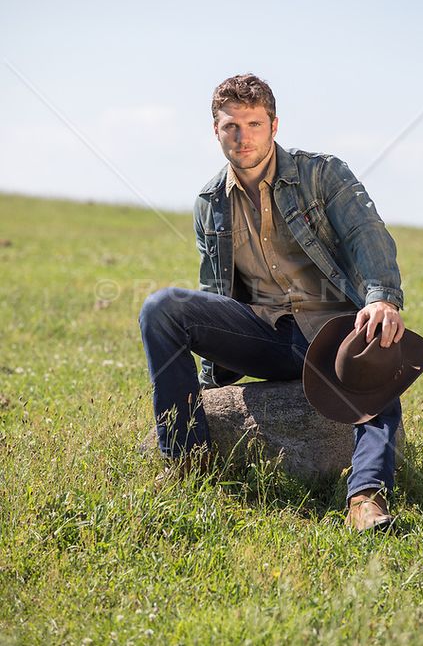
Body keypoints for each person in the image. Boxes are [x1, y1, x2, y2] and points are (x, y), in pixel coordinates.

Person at [139, 73, 406, 531]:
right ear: (216, 130)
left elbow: (368, 235)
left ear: (275, 125)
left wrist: (382, 299)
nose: (243, 137)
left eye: (254, 124)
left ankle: (365, 498)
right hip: (263, 336)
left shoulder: (322, 174)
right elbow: (216, 293)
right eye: (231, 126)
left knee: (379, 360)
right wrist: (209, 387)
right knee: (161, 308)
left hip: (334, 334)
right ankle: (187, 465)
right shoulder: (209, 202)